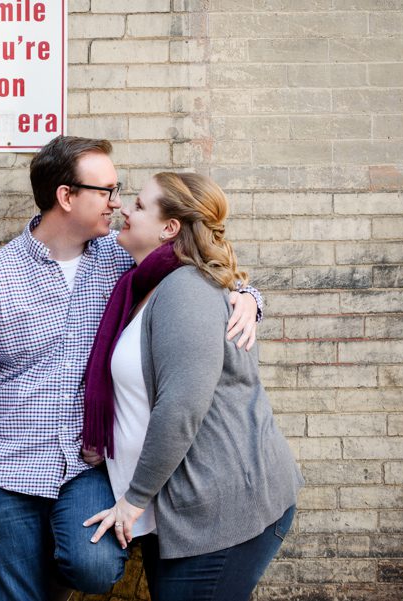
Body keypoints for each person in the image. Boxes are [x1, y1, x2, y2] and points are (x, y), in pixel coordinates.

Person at [0, 136, 263, 601]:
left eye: (119, 190)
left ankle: (47, 558)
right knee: (14, 591)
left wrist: (250, 300)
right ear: (66, 197)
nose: (116, 203)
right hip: (9, 467)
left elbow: (206, 271)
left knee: (93, 568)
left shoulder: (121, 255)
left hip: (87, 465)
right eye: (106, 191)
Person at [81, 172, 304, 601]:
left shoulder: (185, 289)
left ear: (169, 229)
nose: (125, 208)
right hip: (184, 511)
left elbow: (181, 406)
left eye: (140, 206)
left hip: (221, 513)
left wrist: (134, 499)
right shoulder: (145, 284)